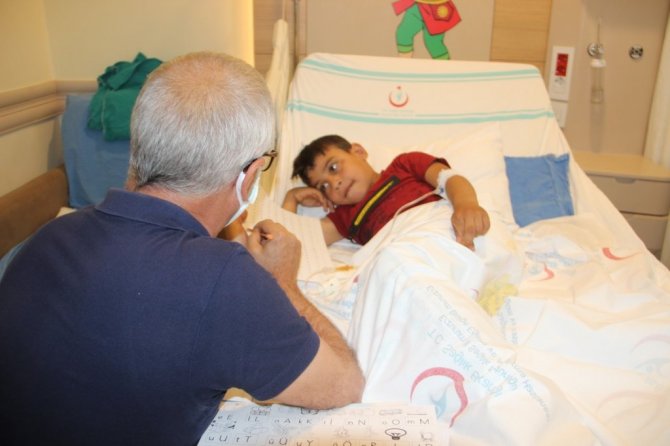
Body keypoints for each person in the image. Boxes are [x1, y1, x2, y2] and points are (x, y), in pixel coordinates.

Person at [0, 53, 364, 446]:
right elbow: (343, 384)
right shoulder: (226, 279)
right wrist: (281, 281)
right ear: (250, 176)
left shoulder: (48, 238)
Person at [282, 134, 490, 249]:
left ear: (358, 151)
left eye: (334, 167)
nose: (334, 183)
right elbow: (292, 242)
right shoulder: (344, 217)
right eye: (323, 186)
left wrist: (466, 205)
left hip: (444, 232)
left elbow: (451, 179)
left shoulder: (404, 165)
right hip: (404, 257)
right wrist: (292, 199)